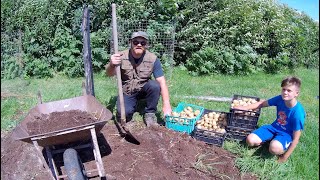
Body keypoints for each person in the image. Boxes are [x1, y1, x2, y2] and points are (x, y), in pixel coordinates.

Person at [105, 31, 172, 127]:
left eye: (143, 43)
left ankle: (150, 114)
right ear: (131, 43)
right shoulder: (120, 57)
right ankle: (130, 107)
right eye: (136, 42)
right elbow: (109, 74)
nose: (139, 45)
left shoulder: (153, 59)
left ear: (146, 45)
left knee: (155, 85)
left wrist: (166, 104)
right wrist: (112, 65)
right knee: (124, 114)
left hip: (144, 89)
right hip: (128, 91)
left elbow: (162, 81)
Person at [233, 76, 306, 163]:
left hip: (286, 134)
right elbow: (262, 104)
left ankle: (278, 145)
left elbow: (296, 139)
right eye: (283, 89)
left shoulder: (298, 113)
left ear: (296, 93)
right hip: (274, 127)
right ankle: (268, 140)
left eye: (289, 90)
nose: (285, 92)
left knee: (274, 148)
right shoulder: (280, 99)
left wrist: (284, 158)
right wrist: (244, 108)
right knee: (250, 140)